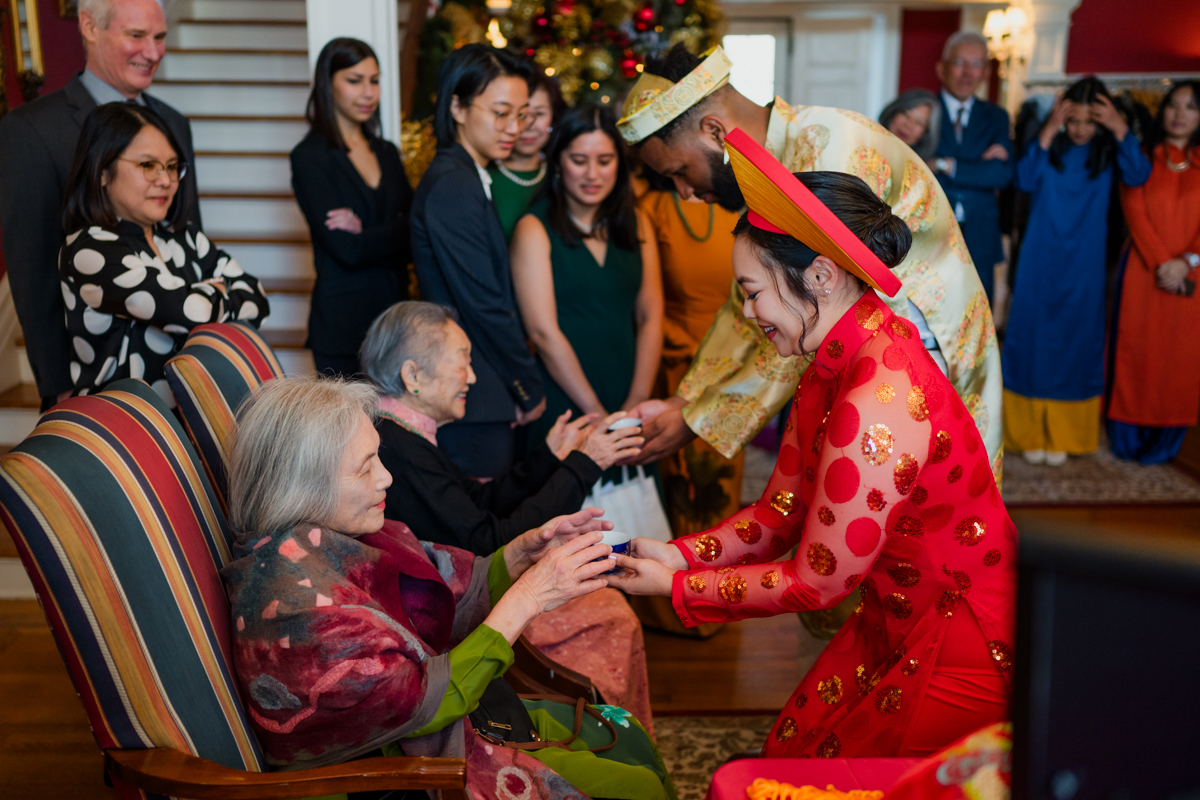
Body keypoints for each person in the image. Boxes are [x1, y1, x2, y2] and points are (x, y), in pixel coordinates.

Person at [609, 129, 1017, 759]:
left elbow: (818, 581)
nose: (749, 314)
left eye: (752, 292)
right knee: (792, 750)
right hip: (893, 614)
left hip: (953, 639)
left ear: (821, 276)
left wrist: (680, 589)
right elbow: (779, 515)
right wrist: (681, 556)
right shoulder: (835, 360)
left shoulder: (876, 400)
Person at [220, 377, 674, 800]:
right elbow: (424, 704)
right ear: (306, 484)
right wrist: (531, 596)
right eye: (365, 468)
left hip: (454, 730)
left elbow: (444, 588)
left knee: (626, 738)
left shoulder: (329, 541)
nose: (386, 478)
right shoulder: (296, 609)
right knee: (638, 785)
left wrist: (520, 554)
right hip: (405, 778)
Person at [614, 44, 1002, 485]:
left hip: (922, 360)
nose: (683, 192)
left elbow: (807, 314)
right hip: (860, 358)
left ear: (714, 131)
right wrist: (685, 402)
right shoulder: (775, 161)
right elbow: (748, 308)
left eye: (678, 171)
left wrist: (698, 419)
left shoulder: (827, 153)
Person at [360, 300, 654, 731]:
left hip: (459, 588)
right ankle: (607, 735)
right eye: (463, 362)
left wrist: (551, 459)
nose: (473, 377)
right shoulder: (401, 451)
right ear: (413, 375)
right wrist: (583, 463)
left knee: (607, 603)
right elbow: (488, 540)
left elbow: (476, 502)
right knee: (612, 615)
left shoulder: (402, 435)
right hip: (449, 614)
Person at [0, 0, 199, 411]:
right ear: (89, 27)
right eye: (136, 36)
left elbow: (188, 237)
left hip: (178, 372)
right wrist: (58, 385)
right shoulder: (31, 130)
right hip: (93, 378)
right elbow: (33, 271)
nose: (154, 52)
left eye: (159, 36)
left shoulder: (174, 122)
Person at [59, 104, 268, 401]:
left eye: (171, 166)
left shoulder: (183, 236)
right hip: (126, 423)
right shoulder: (90, 249)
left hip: (193, 415)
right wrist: (216, 290)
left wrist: (199, 296)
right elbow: (193, 313)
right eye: (148, 165)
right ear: (103, 171)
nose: (166, 180)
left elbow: (257, 297)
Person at [510, 103, 664, 491]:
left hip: (630, 389)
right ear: (558, 161)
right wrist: (595, 411)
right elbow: (543, 333)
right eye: (579, 160)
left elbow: (650, 314)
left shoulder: (637, 220)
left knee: (636, 517)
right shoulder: (534, 228)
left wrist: (634, 403)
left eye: (605, 160)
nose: (593, 174)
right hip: (568, 397)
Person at [411, 44, 545, 478]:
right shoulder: (454, 184)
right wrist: (527, 386)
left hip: (481, 386)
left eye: (522, 114)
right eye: (501, 112)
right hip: (473, 389)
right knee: (478, 533)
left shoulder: (469, 174)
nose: (515, 128)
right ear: (458, 107)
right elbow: (482, 303)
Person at [1002, 78, 1150, 466]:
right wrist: (1049, 130)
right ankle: (1028, 431)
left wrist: (1119, 129)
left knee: (1076, 339)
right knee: (1031, 335)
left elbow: (1139, 176)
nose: (1081, 129)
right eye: (1074, 120)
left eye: (1090, 121)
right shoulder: (1049, 145)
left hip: (1085, 261)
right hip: (1038, 256)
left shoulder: (1109, 150)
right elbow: (1024, 179)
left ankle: (1066, 433)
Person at [291, 38, 414, 378]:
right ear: (327, 84)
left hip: (394, 323)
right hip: (342, 328)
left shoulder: (386, 152)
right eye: (354, 80)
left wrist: (369, 233)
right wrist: (394, 232)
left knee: (395, 431)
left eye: (374, 80)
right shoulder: (310, 157)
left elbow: (416, 228)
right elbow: (348, 251)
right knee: (350, 432)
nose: (368, 93)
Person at [639, 166, 745, 535]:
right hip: (676, 365)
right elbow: (648, 303)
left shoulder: (741, 204)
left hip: (741, 364)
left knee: (720, 488)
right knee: (677, 491)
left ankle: (714, 583)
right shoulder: (652, 208)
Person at [1107, 80, 1200, 463]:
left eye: (1191, 107)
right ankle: (1126, 437)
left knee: (1179, 359)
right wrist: (1164, 262)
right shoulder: (1143, 157)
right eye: (1173, 105)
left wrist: (1187, 262)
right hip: (1144, 269)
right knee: (1136, 352)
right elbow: (1135, 211)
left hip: (1190, 274)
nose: (1179, 114)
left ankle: (1165, 442)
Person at [929, 32, 1014, 303]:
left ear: (987, 72)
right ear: (941, 68)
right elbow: (914, 166)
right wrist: (978, 168)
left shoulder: (997, 117)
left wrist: (945, 164)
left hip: (980, 233)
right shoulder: (923, 110)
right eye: (959, 62)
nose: (968, 73)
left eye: (976, 64)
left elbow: (1000, 175)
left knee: (977, 313)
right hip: (931, 229)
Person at [490, 71, 564, 242]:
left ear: (553, 118)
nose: (528, 125)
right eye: (521, 114)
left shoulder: (566, 172)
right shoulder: (483, 174)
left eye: (539, 114)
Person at [878, 89, 942, 160]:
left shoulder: (919, 170)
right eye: (905, 114)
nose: (908, 125)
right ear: (893, 112)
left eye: (919, 122)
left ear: (925, 133)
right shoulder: (865, 143)